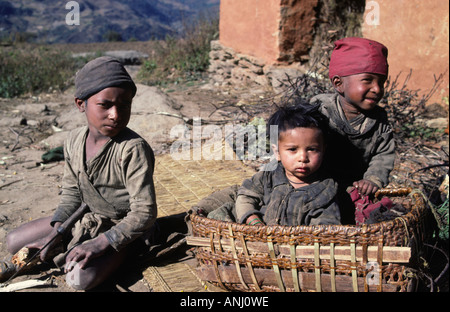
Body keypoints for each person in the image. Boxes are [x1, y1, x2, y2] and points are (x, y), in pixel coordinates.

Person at [0, 56, 157, 290]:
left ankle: (125, 251)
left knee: (78, 279)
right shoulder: (74, 141)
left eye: (124, 105)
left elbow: (145, 212)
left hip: (122, 227)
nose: (116, 114)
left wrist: (103, 242)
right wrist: (57, 232)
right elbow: (72, 194)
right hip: (83, 219)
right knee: (14, 242)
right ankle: (65, 246)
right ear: (80, 104)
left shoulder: (132, 149)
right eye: (105, 105)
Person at [194, 100, 341, 226]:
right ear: (277, 152)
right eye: (292, 149)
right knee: (219, 213)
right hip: (252, 231)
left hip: (291, 247)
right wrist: (252, 220)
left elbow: (325, 228)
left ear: (323, 150)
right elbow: (246, 196)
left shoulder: (324, 191)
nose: (302, 157)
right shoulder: (268, 176)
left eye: (312, 149)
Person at [311, 37, 395, 200]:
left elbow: (383, 155)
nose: (377, 89)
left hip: (357, 189)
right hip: (316, 183)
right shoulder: (319, 110)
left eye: (382, 82)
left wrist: (372, 180)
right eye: (367, 80)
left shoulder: (379, 121)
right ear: (338, 83)